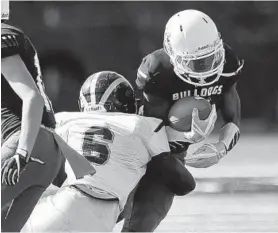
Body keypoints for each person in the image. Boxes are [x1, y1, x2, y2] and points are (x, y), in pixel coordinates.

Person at [21, 71, 195, 232]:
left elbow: (54, 174)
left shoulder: (65, 121)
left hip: (64, 203)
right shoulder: (143, 125)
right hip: (103, 220)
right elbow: (185, 184)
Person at [122, 9, 243, 232]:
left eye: (211, 57)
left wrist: (221, 147)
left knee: (144, 219)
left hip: (172, 154)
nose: (207, 68)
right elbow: (148, 131)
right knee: (109, 208)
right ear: (173, 54)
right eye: (198, 63)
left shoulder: (227, 62)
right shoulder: (159, 70)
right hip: (135, 148)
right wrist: (183, 135)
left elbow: (232, 115)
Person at [1, 2, 94, 231]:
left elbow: (33, 97)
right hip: (47, 153)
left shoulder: (2, 37)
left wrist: (23, 152)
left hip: (26, 145)